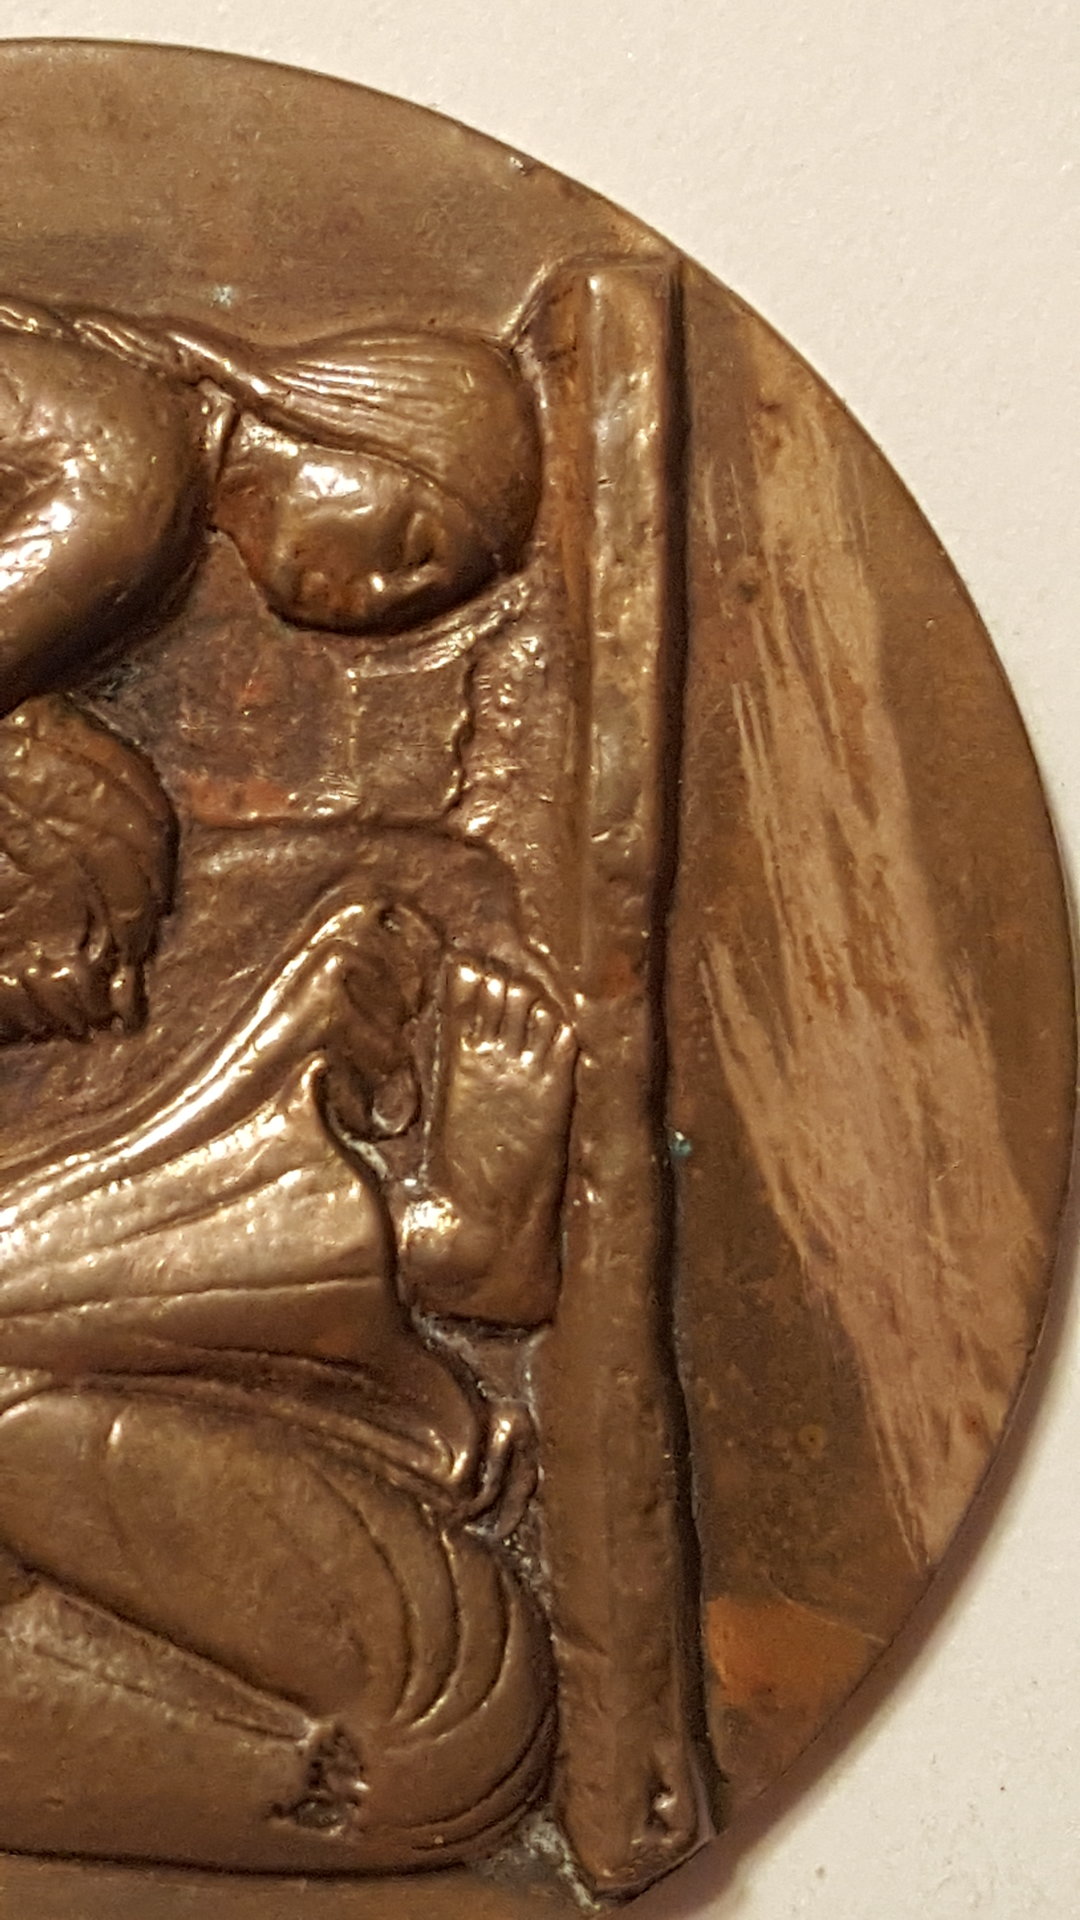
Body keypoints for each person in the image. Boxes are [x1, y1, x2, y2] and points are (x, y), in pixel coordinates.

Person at [0, 294, 574, 1872]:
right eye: (412, 540)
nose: (379, 605)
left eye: (425, 598)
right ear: (349, 428)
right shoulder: (126, 473)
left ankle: (419, 1245)